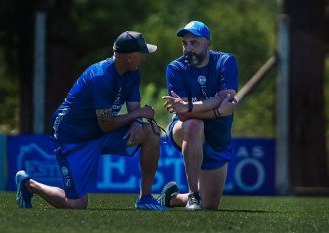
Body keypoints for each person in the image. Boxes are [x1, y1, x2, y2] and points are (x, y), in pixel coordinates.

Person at [15, 31, 167, 210]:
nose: (144, 57)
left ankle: (145, 198)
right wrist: (137, 115)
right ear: (130, 57)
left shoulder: (132, 73)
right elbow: (107, 124)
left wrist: (136, 121)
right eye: (142, 53)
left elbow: (134, 110)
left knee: (150, 132)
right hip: (73, 137)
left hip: (101, 130)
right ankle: (28, 184)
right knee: (77, 204)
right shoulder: (100, 77)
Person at [159, 21, 238, 210]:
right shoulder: (175, 68)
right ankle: (193, 194)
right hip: (185, 129)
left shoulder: (225, 62)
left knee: (209, 206)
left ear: (208, 44)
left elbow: (225, 98)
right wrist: (218, 111)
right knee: (194, 125)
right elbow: (184, 115)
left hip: (218, 135)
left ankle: (173, 198)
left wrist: (189, 106)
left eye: (194, 43)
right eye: (185, 43)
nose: (188, 48)